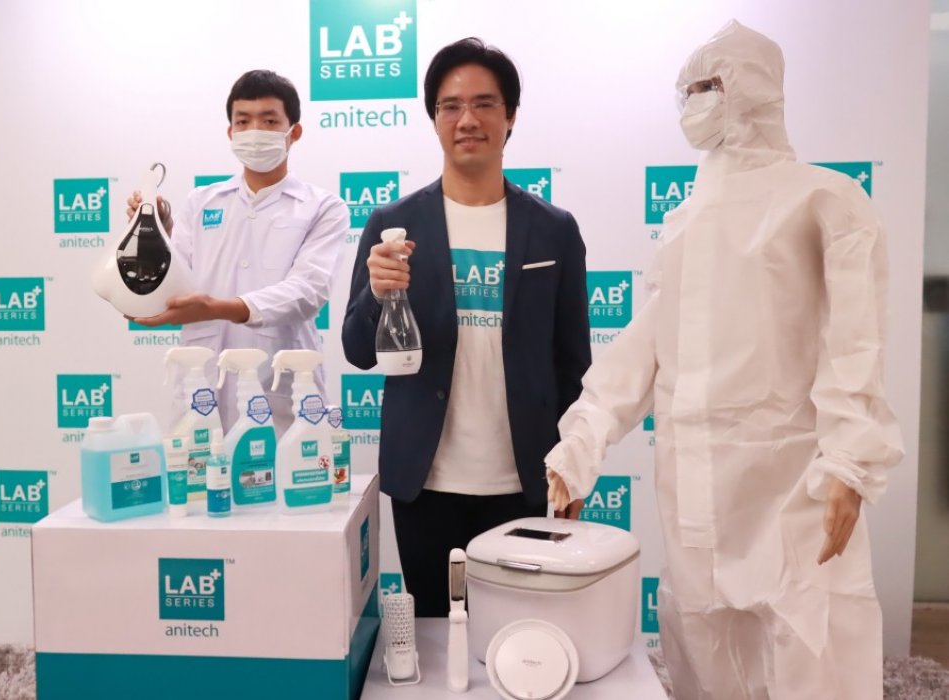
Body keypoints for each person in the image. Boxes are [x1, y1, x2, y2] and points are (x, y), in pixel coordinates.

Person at [546, 21, 903, 699]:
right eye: (686, 91)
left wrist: (849, 462)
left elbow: (855, 344)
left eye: (709, 85)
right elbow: (645, 347)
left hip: (791, 482)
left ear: (755, 86)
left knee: (807, 645)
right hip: (695, 486)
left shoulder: (825, 199)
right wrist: (581, 443)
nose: (694, 103)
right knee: (704, 650)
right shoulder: (685, 221)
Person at [342, 38, 592, 617]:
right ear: (434, 119)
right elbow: (357, 350)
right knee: (435, 633)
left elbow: (572, 364)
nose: (468, 120)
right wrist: (376, 294)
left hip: (522, 481)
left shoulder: (553, 230)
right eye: (450, 106)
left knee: (518, 638)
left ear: (511, 116)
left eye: (484, 104)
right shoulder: (393, 224)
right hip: (424, 481)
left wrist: (576, 463)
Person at [127, 70, 349, 431]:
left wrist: (218, 308)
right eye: (243, 121)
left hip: (281, 389)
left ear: (294, 132)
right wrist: (156, 230)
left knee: (283, 464)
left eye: (269, 121)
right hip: (201, 385)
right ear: (231, 133)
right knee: (198, 461)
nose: (254, 131)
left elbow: (308, 291)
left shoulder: (323, 207)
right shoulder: (201, 202)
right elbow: (174, 280)